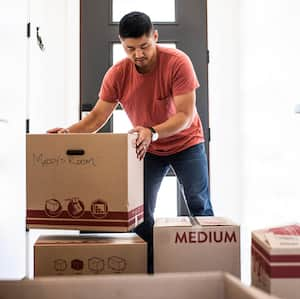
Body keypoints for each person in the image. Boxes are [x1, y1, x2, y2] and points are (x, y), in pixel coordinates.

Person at [48, 11, 214, 273]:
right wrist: (66, 134)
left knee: (199, 203)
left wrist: (152, 130)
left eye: (145, 46)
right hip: (146, 147)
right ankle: (150, 270)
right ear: (122, 43)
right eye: (130, 48)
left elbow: (185, 115)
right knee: (141, 213)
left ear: (155, 37)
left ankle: (206, 268)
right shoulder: (117, 74)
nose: (138, 54)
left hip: (186, 143)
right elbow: (97, 117)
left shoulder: (178, 62)